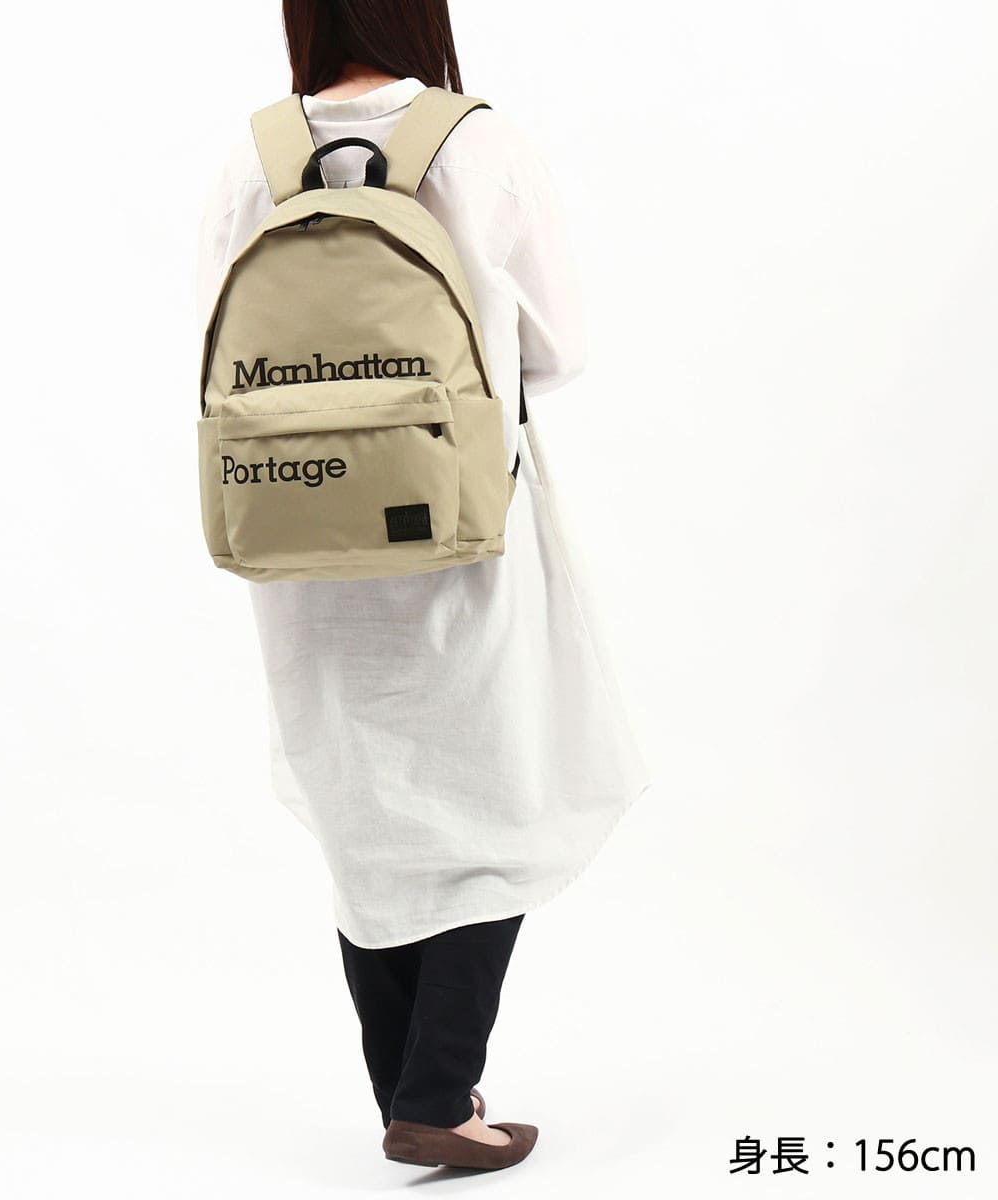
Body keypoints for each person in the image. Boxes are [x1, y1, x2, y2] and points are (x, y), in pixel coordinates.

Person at [195, 0, 652, 1172]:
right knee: (498, 799)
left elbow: (212, 340)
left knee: (365, 810)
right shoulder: (476, 141)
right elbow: (560, 348)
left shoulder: (254, 155)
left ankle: (410, 1090)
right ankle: (439, 1095)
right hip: (455, 518)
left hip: (293, 519)